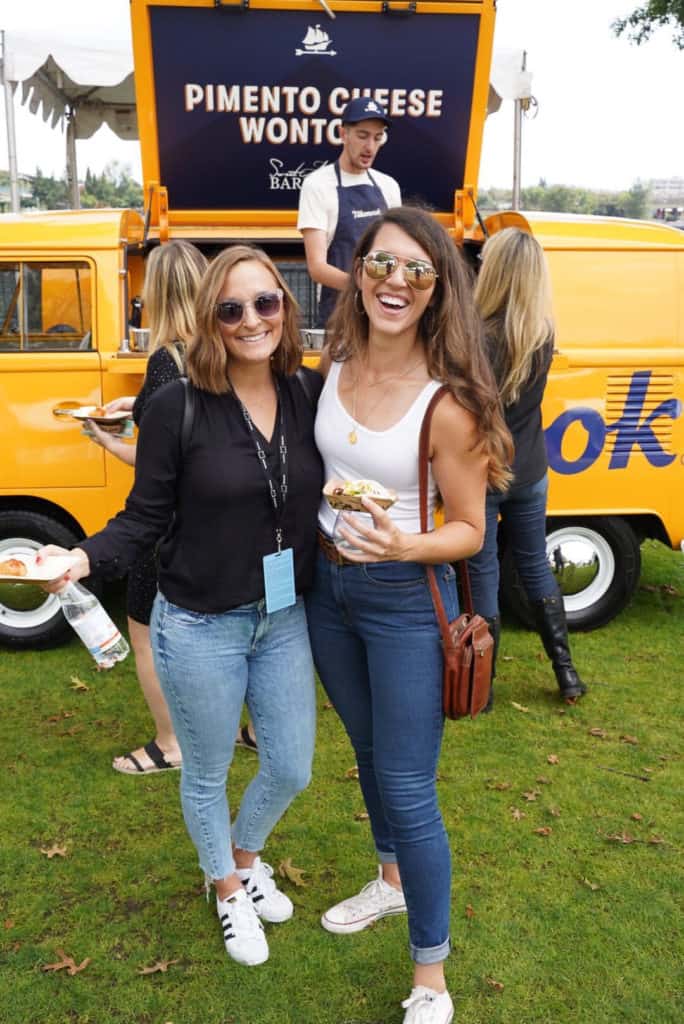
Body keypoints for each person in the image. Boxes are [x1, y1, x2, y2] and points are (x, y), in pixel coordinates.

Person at [38, 245, 323, 967]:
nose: (251, 319)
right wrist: (81, 557)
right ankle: (227, 889)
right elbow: (143, 517)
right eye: (231, 308)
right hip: (198, 623)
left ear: (284, 308)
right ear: (208, 319)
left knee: (290, 766)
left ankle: (244, 857)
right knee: (206, 772)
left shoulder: (306, 391)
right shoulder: (177, 405)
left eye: (266, 302)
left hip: (283, 616)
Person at [305, 206, 512, 1024]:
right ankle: (388, 882)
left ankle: (431, 975)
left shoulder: (448, 403)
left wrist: (403, 547)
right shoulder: (338, 359)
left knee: (406, 783)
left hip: (400, 603)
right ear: (358, 272)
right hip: (329, 593)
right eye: (382, 265)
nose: (397, 283)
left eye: (417, 272)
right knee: (365, 751)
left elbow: (469, 530)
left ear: (436, 290)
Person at [86, 240, 207, 774]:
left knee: (145, 632)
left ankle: (171, 742)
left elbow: (157, 458)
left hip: (169, 527)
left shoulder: (166, 357)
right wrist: (135, 406)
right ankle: (233, 728)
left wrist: (105, 439)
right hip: (217, 526)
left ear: (156, 292)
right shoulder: (217, 350)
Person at [467, 226, 588, 707]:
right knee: (535, 565)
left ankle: (485, 685)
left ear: (493, 271)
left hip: (484, 469)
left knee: (483, 573)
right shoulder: (542, 331)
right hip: (531, 468)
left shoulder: (478, 335)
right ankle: (567, 674)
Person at [298, 97, 401, 327]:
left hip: (383, 314)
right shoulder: (317, 185)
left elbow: (397, 253)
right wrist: (366, 287)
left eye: (378, 137)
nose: (370, 147)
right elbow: (317, 268)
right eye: (362, 136)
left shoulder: (389, 186)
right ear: (343, 134)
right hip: (339, 315)